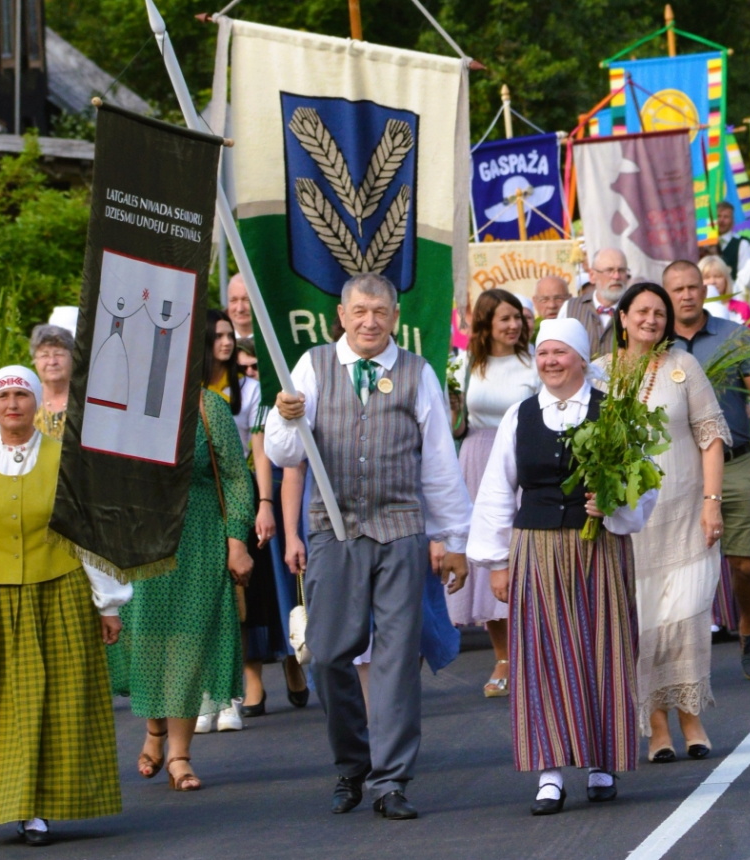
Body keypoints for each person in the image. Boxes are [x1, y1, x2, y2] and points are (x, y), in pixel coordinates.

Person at [265, 273, 472, 821]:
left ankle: (391, 780)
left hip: (401, 529)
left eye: (380, 312)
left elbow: (439, 462)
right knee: (329, 652)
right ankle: (352, 761)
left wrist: (453, 539)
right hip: (333, 530)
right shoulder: (310, 366)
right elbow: (286, 452)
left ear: (395, 317)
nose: (369, 322)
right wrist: (285, 419)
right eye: (359, 312)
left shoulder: (416, 372)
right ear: (342, 314)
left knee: (397, 658)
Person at [0, 367, 130, 845]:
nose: (12, 404)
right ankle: (20, 806)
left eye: (21, 395)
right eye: (4, 396)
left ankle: (50, 804)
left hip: (59, 593)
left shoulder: (64, 459)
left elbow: (89, 533)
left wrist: (109, 602)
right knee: (6, 707)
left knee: (60, 701)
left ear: (36, 402)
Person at [466, 318, 656, 815]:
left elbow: (646, 485)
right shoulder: (520, 416)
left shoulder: (614, 414)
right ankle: (549, 773)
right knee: (542, 656)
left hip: (599, 548)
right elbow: (496, 490)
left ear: (580, 358)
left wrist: (613, 507)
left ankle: (600, 762)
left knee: (603, 648)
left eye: (561, 353)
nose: (551, 361)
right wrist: (496, 562)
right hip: (537, 548)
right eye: (544, 353)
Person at [107, 348, 255, 791]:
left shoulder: (207, 406)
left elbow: (235, 476)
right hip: (139, 542)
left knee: (188, 646)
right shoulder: (121, 407)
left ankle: (180, 755)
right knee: (147, 643)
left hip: (199, 541)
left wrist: (237, 541)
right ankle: (154, 732)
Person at [594, 283, 727, 762]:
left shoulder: (683, 366)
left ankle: (690, 718)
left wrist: (712, 502)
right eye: (642, 311)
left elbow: (710, 436)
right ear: (623, 317)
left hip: (687, 513)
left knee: (686, 618)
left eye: (659, 312)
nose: (651, 319)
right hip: (631, 523)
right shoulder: (598, 374)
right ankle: (656, 729)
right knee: (644, 621)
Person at [664, 262, 750, 681]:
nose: (686, 295)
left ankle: (748, 623)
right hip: (677, 469)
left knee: (745, 564)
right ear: (666, 295)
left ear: (706, 290)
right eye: (677, 289)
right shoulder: (651, 342)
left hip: (735, 462)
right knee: (675, 568)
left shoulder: (735, 336)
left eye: (693, 287)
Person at [204, 311, 304, 726]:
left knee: (255, 590)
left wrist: (264, 503)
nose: (226, 343)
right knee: (214, 591)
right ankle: (239, 681)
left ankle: (285, 662)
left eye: (229, 335)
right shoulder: (187, 392)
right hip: (200, 498)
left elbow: (260, 450)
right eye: (217, 336)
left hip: (241, 491)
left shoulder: (248, 389)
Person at [448, 288, 539, 697]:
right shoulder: (466, 365)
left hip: (523, 459)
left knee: (526, 556)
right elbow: (456, 427)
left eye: (517, 317)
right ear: (485, 324)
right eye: (504, 318)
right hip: (477, 458)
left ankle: (536, 655)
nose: (513, 325)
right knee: (489, 556)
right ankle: (503, 656)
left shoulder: (535, 360)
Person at [559, 247, 630, 358]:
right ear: (592, 276)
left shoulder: (634, 310)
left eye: (621, 270)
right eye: (609, 270)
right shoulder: (571, 308)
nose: (616, 276)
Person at [29, 325, 74, 439]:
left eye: (58, 354)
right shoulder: (26, 400)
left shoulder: (87, 401)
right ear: (35, 361)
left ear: (73, 358)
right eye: (44, 355)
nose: (52, 362)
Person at [699, 255, 750, 325]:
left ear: (726, 279)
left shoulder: (743, 308)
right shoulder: (694, 310)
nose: (712, 281)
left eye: (717, 276)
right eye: (706, 277)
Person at [714, 200, 750, 280]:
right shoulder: (703, 244)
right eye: (718, 216)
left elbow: (745, 276)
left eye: (726, 217)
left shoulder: (742, 244)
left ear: (732, 221)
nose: (721, 220)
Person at [228, 273, 256, 351]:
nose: (240, 309)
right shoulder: (214, 342)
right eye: (233, 300)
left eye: (246, 300)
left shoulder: (274, 339)